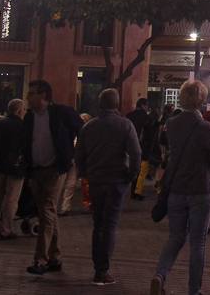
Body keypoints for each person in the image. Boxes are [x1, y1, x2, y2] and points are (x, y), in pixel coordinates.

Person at [151, 80, 210, 295]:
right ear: (201, 100)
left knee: (175, 237)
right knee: (198, 242)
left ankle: (160, 275)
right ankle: (193, 290)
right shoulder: (205, 127)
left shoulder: (172, 124)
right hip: (200, 189)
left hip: (176, 188)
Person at [74, 87, 140, 286]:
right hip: (116, 180)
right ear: (116, 104)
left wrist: (85, 172)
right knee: (109, 225)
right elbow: (136, 154)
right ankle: (102, 270)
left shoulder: (89, 126)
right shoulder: (125, 125)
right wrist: (131, 175)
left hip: (96, 179)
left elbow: (79, 154)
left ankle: (98, 266)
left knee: (98, 224)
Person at [22, 79, 83, 276]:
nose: (28, 97)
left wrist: (69, 155)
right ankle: (55, 256)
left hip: (54, 169)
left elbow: (81, 128)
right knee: (47, 213)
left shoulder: (60, 113)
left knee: (47, 210)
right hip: (36, 169)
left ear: (44, 95)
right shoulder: (30, 117)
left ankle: (41, 259)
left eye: (32, 93)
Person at [0, 98, 27, 238]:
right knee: (11, 200)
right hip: (15, 168)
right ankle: (6, 229)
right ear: (20, 110)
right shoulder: (23, 127)